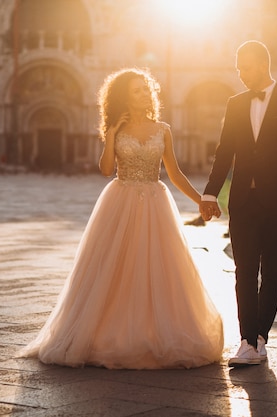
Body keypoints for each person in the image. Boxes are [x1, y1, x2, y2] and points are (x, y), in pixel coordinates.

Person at [19, 68, 224, 369]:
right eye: (136, 90)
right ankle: (109, 334)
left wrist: (202, 200)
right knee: (116, 267)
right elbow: (105, 169)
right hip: (120, 200)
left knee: (158, 268)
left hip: (155, 202)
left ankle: (154, 334)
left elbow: (175, 173)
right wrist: (112, 133)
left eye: (145, 88)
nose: (144, 94)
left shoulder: (163, 129)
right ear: (124, 98)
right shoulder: (116, 129)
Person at [200, 40, 277, 367]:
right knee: (243, 271)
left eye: (243, 67)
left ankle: (261, 336)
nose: (240, 74)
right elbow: (224, 151)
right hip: (243, 202)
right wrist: (209, 193)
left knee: (272, 270)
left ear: (261, 64)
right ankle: (247, 340)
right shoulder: (235, 103)